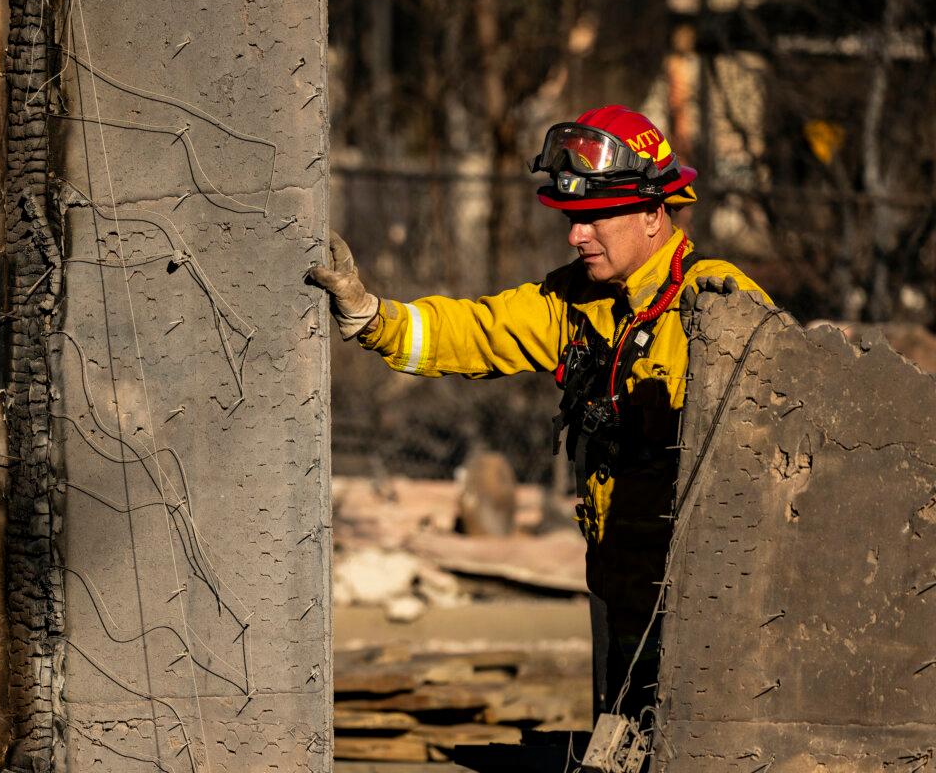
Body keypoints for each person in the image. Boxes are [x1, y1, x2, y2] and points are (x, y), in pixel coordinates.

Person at [308, 105, 771, 723]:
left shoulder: (714, 302)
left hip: (700, 605)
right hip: (614, 590)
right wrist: (372, 316)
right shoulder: (575, 302)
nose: (577, 235)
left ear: (654, 215)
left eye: (594, 218)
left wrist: (740, 331)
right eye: (572, 219)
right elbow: (478, 329)